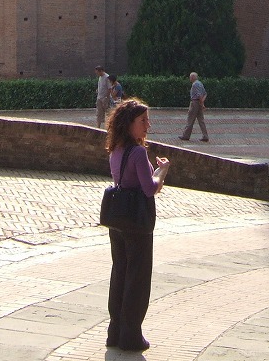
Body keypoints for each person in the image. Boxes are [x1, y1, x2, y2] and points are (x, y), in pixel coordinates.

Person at [105, 99, 170, 352]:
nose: (147, 125)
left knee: (119, 272)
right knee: (138, 277)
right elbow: (149, 188)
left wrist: (150, 171)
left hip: (117, 219)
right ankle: (131, 335)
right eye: (142, 121)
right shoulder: (139, 152)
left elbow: (126, 178)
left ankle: (115, 330)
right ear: (129, 123)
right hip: (137, 222)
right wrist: (162, 171)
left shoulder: (116, 149)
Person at [178, 71, 209, 142]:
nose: (189, 78)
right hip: (199, 103)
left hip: (195, 102)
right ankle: (205, 136)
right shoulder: (200, 83)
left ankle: (186, 135)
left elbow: (199, 95)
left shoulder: (194, 84)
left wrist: (201, 103)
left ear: (192, 77)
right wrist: (202, 103)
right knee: (201, 120)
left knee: (190, 119)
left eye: (190, 77)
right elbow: (205, 94)